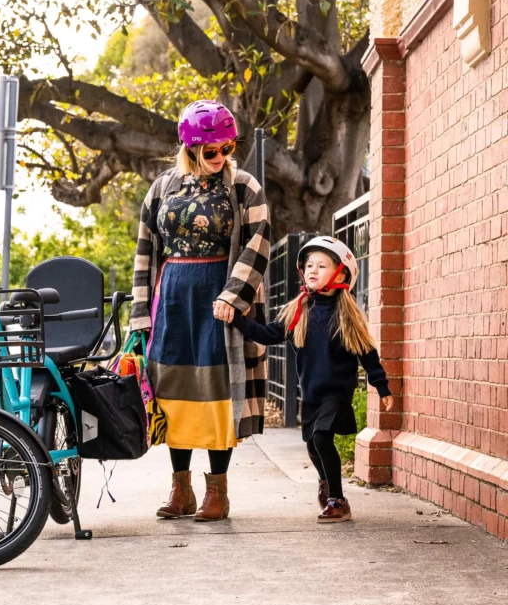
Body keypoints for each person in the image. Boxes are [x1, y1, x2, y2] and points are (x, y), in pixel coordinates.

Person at [130, 99, 270, 522]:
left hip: (219, 301)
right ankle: (180, 489)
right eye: (211, 151)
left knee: (217, 392)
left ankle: (217, 492)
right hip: (171, 299)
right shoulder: (161, 188)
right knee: (173, 393)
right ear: (189, 149)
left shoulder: (244, 186)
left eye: (227, 148)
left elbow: (258, 242)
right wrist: (140, 314)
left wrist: (232, 295)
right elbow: (144, 251)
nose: (221, 157)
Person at [232, 236, 395, 523]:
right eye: (309, 265)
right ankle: (326, 482)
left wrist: (381, 386)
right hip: (311, 393)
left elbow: (367, 353)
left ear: (341, 273)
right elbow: (269, 335)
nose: (313, 270)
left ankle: (337, 500)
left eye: (322, 265)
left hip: (336, 392)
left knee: (321, 437)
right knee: (311, 443)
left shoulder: (347, 315)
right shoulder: (299, 311)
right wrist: (236, 319)